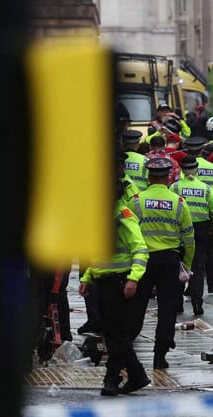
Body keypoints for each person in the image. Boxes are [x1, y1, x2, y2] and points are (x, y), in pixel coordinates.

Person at [80, 178, 149, 396]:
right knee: (113, 334)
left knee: (116, 335)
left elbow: (140, 249)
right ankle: (137, 375)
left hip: (119, 282)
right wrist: (88, 276)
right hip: (103, 282)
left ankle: (112, 379)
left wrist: (133, 279)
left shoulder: (124, 216)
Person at [128, 158, 195, 370]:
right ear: (168, 177)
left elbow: (127, 232)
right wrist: (186, 263)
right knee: (167, 309)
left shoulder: (136, 200)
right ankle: (160, 355)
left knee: (136, 306)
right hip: (170, 260)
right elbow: (189, 238)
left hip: (143, 260)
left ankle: (127, 349)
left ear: (148, 177)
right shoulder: (179, 203)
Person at [172, 156, 213, 315]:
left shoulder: (174, 188)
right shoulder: (208, 189)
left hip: (179, 231)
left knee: (177, 266)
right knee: (197, 268)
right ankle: (197, 302)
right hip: (201, 231)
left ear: (181, 170)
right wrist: (212, 228)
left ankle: (177, 303)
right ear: (197, 170)